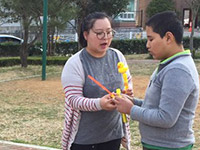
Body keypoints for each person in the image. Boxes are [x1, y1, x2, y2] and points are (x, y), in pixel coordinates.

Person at [114, 11, 199, 150]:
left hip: (168, 147)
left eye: (151, 39)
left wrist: (131, 109)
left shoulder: (178, 70)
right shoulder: (169, 64)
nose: (147, 45)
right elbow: (158, 106)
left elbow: (165, 118)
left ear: (168, 37)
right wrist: (133, 102)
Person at [61, 12, 133, 150]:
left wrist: (126, 94)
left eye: (109, 32)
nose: (105, 37)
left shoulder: (118, 56)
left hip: (113, 135)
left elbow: (127, 82)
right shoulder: (75, 63)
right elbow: (73, 99)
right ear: (86, 35)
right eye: (99, 33)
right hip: (85, 140)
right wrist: (99, 103)